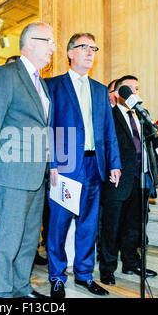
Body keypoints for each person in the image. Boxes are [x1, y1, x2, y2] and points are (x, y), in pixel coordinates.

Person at [0, 22, 55, 298]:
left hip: (37, 173)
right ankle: (1, 293)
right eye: (49, 42)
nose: (53, 49)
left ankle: (21, 287)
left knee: (28, 239)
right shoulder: (7, 73)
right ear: (31, 42)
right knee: (8, 237)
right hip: (12, 171)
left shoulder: (41, 83)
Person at [45, 33, 121, 298]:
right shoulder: (52, 85)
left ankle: (84, 275)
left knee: (88, 224)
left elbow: (108, 129)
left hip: (94, 165)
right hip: (64, 165)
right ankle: (56, 276)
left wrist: (114, 163)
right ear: (69, 52)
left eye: (93, 48)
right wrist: (51, 162)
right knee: (59, 224)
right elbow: (47, 127)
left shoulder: (100, 90)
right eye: (83, 47)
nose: (90, 52)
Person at [99, 75, 158, 286]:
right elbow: (103, 145)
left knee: (135, 227)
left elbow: (151, 145)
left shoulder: (141, 116)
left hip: (140, 178)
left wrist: (154, 172)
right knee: (111, 227)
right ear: (117, 93)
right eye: (129, 89)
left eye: (137, 88)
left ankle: (131, 263)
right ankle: (107, 269)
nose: (135, 92)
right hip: (117, 180)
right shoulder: (109, 115)